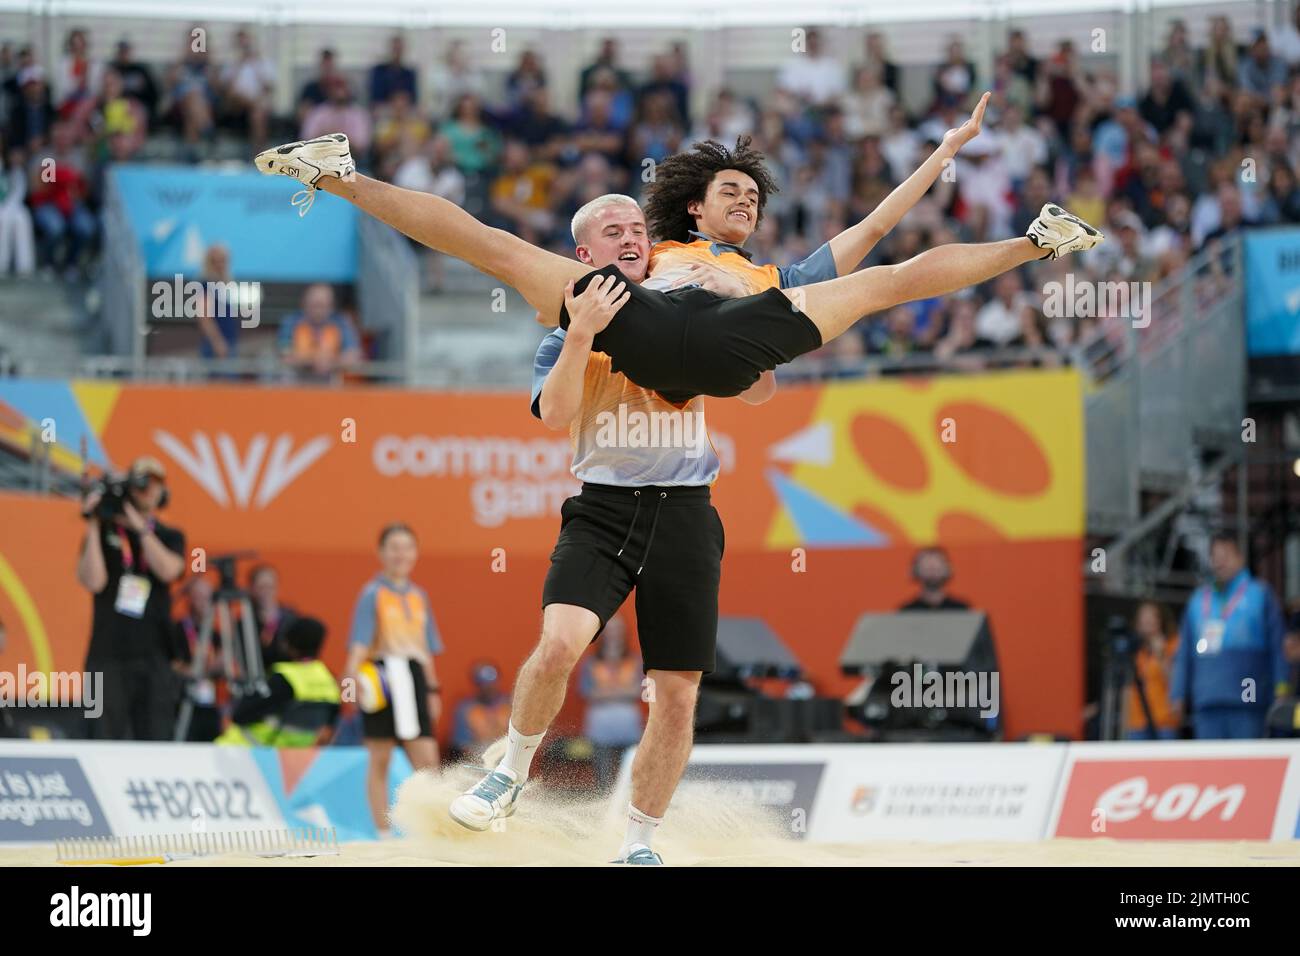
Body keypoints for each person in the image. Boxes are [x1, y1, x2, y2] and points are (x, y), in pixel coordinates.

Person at [255, 93, 1102, 404]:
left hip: (738, 344)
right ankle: (338, 176)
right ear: (692, 205)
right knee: (497, 248)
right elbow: (557, 370)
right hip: (651, 333)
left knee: (889, 277)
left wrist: (944, 153)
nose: (746, 200)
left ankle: (1038, 241)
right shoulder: (640, 259)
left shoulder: (779, 277)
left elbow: (876, 226)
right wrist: (579, 331)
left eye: (755, 196)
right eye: (730, 190)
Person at [447, 193, 764, 864]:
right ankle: (509, 774)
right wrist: (585, 330)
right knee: (559, 643)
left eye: (638, 229)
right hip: (604, 508)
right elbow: (555, 414)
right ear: (584, 256)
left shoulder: (691, 310)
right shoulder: (565, 332)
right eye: (612, 230)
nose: (631, 237)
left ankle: (638, 844)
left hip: (685, 512)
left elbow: (761, 385)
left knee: (677, 695)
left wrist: (734, 291)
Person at [343, 524, 443, 837]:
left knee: (427, 760)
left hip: (413, 677)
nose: (401, 554)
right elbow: (358, 645)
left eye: (407, 547)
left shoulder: (419, 596)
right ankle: (382, 832)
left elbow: (425, 650)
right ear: (381, 553)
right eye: (394, 547)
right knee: (381, 757)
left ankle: (434, 830)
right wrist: (349, 681)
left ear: (416, 553)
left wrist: (432, 689)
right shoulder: (372, 594)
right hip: (382, 679)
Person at [76, 457, 186, 741]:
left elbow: (168, 570)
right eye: (140, 484)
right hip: (107, 654)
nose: (146, 491)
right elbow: (93, 580)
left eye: (154, 485)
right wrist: (93, 523)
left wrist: (139, 527)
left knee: (156, 737)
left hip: (154, 655)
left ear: (163, 492)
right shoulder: (104, 532)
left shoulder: (169, 535)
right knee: (101, 735)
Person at [1170, 532, 1289, 740]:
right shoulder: (1198, 600)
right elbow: (1184, 653)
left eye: (1226, 555)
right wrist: (1177, 694)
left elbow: (1278, 646)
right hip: (1207, 699)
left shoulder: (1259, 594)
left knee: (1247, 765)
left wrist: (1281, 686)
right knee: (1210, 767)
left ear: (1240, 558)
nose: (1219, 562)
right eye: (1215, 556)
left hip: (1248, 699)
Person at [217, 617, 341, 747]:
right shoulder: (330, 682)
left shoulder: (285, 678)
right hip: (294, 756)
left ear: (290, 643)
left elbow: (240, 715)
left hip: (250, 750)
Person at [577, 616, 644, 791]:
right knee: (603, 778)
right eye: (610, 630)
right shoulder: (590, 663)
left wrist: (605, 692)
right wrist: (623, 690)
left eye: (618, 630)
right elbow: (585, 692)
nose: (614, 634)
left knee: (630, 776)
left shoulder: (635, 660)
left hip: (629, 725)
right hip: (600, 727)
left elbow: (641, 690)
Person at [1125, 601, 1180, 740]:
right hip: (1137, 721)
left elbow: (1176, 682)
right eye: (1143, 616)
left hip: (1164, 721)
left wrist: (1161, 656)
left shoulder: (1173, 644)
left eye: (1151, 616)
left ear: (1160, 620)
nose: (1147, 620)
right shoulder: (1136, 651)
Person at [450, 663, 511, 761]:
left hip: (508, 759)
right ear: (476, 684)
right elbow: (461, 745)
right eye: (483, 684)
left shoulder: (511, 704)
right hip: (478, 761)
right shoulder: (465, 708)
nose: (488, 688)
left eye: (492, 683)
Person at [899, 547, 969, 611]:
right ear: (916, 571)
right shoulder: (906, 611)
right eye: (927, 568)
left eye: (937, 568)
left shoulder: (961, 609)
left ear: (947, 570)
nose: (932, 572)